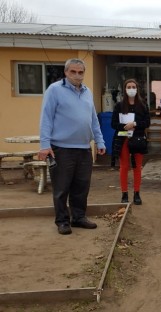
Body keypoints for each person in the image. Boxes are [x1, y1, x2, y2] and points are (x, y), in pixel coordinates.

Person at [38, 58, 106, 235]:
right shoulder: (54, 90)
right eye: (73, 72)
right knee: (62, 187)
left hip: (84, 148)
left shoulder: (87, 92)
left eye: (80, 72)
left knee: (81, 186)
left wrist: (100, 141)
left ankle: (79, 217)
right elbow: (46, 118)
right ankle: (62, 221)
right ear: (66, 72)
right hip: (61, 148)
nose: (77, 75)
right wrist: (45, 145)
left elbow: (93, 119)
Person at [111, 79, 151, 205]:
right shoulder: (119, 105)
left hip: (138, 139)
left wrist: (135, 124)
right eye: (129, 87)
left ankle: (137, 194)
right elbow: (113, 124)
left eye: (134, 86)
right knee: (124, 167)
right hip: (123, 139)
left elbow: (147, 123)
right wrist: (124, 126)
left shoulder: (143, 105)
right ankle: (124, 194)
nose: (131, 89)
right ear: (125, 89)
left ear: (137, 89)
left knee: (137, 167)